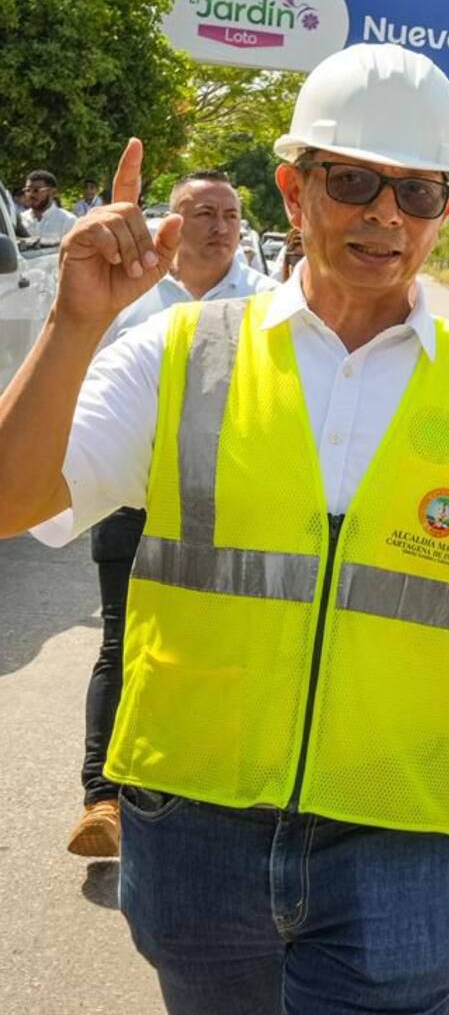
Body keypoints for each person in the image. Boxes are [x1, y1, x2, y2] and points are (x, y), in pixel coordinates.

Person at [0, 42, 449, 1014]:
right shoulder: (182, 354)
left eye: (417, 193)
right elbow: (12, 500)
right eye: (355, 181)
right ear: (295, 190)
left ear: (444, 213)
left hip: (399, 839)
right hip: (196, 825)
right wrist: (73, 325)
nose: (385, 215)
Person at [66, 169, 278, 858]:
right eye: (203, 212)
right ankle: (103, 800)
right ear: (171, 222)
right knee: (122, 642)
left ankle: (202, 800)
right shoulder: (126, 296)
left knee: (220, 649)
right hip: (133, 503)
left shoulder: (271, 306)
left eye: (231, 214)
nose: (221, 226)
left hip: (232, 512)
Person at [22, 170, 76, 239]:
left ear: (53, 192)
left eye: (36, 190)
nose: (31, 194)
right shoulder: (21, 220)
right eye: (28, 190)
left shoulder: (68, 221)